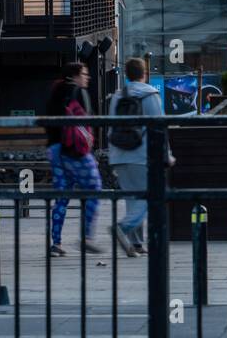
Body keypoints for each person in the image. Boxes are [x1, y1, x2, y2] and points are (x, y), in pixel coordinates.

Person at [106, 57, 173, 257]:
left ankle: (136, 244)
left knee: (133, 199)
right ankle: (122, 228)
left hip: (119, 154)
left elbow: (111, 125)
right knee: (149, 196)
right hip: (142, 155)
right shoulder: (150, 95)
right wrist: (166, 155)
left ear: (126, 75)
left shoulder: (118, 96)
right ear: (144, 74)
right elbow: (159, 127)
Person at [44, 62, 103, 257]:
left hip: (55, 150)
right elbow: (87, 122)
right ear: (74, 76)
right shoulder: (78, 92)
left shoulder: (54, 91)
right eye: (84, 74)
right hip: (75, 150)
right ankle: (87, 237)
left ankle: (56, 243)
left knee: (62, 195)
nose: (88, 77)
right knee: (94, 188)